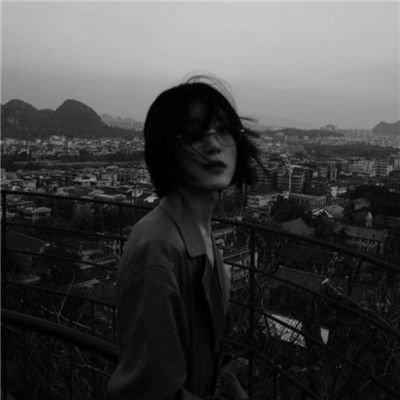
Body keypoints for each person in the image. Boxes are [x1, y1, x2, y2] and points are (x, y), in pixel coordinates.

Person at [107, 75, 260, 400]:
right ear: (166, 151)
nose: (214, 144)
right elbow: (151, 394)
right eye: (194, 135)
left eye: (224, 130)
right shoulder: (158, 249)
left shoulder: (198, 232)